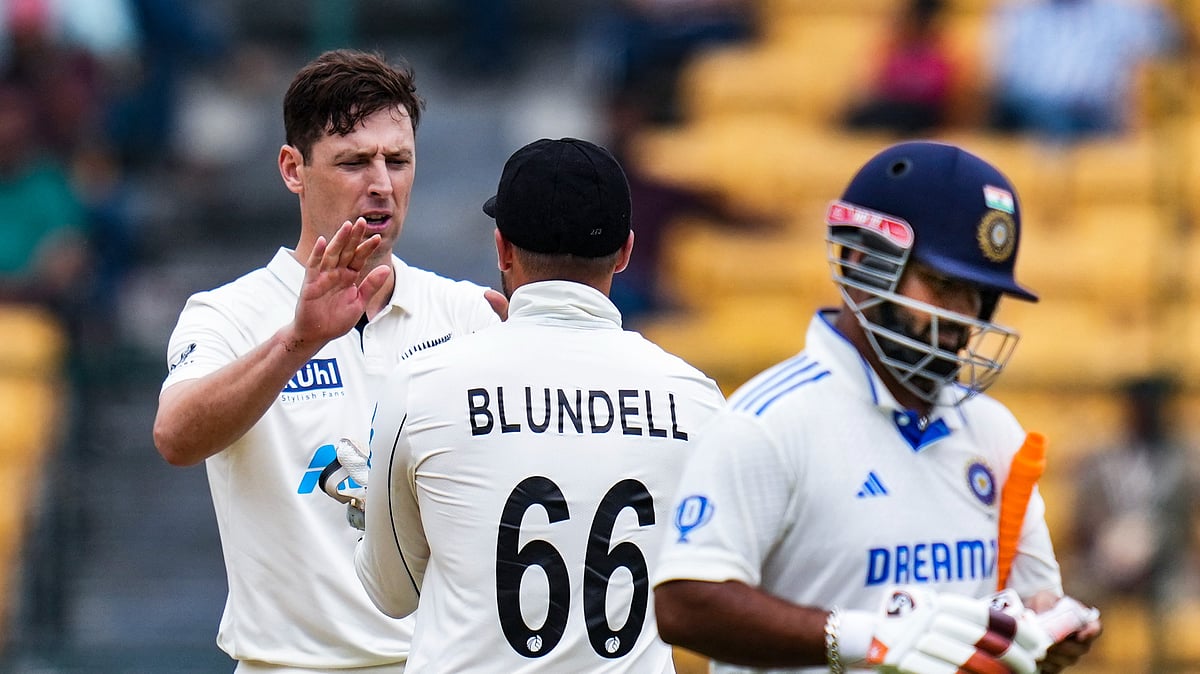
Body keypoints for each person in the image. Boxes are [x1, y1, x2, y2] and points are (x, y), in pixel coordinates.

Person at [651, 140, 1103, 673]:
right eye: (942, 285)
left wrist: (1049, 626)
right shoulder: (767, 423)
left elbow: (1031, 599)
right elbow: (684, 603)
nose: (964, 316)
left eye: (979, 294)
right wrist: (868, 639)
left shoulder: (992, 429)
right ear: (864, 265)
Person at [152, 49, 503, 672]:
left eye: (398, 160)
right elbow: (176, 438)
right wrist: (299, 341)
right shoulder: (226, 313)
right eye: (353, 161)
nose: (381, 183)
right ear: (293, 169)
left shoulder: (467, 314)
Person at [352, 137, 726, 672]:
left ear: (502, 248)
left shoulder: (422, 385)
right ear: (625, 251)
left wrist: (368, 504)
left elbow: (392, 595)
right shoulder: (695, 399)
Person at [985, 0, 1179, 144]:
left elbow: (1172, 46)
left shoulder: (1119, 12)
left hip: (1094, 114)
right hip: (1026, 112)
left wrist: (1153, 8)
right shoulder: (1023, 13)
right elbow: (1000, 77)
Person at [842, 0, 955, 136]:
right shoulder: (892, 47)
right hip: (892, 107)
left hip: (924, 114)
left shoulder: (944, 51)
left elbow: (944, 93)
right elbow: (871, 87)